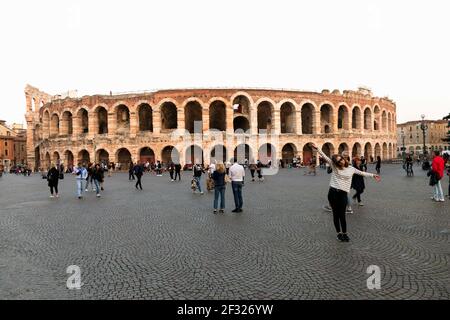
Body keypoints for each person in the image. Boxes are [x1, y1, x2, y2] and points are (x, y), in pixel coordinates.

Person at [310, 143, 381, 242]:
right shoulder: (334, 167)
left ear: (344, 159)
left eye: (341, 159)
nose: (341, 161)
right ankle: (339, 233)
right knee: (336, 214)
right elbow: (325, 157)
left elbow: (362, 173)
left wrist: (373, 175)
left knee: (342, 215)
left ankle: (345, 233)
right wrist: (317, 148)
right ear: (336, 163)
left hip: (343, 194)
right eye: (338, 161)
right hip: (333, 193)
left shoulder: (351, 169)